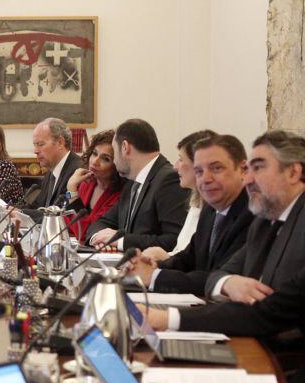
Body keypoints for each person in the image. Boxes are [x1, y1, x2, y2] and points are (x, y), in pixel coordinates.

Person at [146, 130, 305, 330]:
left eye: (258, 168)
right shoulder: (264, 222)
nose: (247, 180)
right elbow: (217, 274)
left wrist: (166, 319)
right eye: (249, 170)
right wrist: (227, 282)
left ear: (293, 173)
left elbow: (271, 311)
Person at [128, 134, 253, 296]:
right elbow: (189, 257)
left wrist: (154, 277)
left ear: (243, 169)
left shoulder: (252, 213)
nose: (206, 179)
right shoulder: (210, 209)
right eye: (199, 171)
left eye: (216, 168)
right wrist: (154, 266)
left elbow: (219, 277)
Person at [86, 118, 190, 251]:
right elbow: (102, 222)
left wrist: (120, 241)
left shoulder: (168, 179)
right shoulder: (132, 181)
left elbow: (174, 240)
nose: (115, 160)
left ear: (125, 147)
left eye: (114, 150)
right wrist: (98, 238)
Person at [142, 129, 216, 261]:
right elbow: (183, 253)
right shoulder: (196, 201)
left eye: (181, 159)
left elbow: (196, 263)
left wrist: (164, 258)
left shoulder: (214, 209)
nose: (175, 167)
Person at [62, 129, 123, 240]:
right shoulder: (87, 183)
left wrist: (71, 189)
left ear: (117, 165)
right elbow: (66, 218)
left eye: (105, 159)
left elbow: (87, 233)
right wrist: (69, 193)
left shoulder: (119, 196)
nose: (95, 161)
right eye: (94, 153)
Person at [25, 117, 83, 218]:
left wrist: (21, 213)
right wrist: (12, 210)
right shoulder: (52, 170)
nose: (35, 151)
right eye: (35, 145)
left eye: (40, 144)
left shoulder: (76, 170)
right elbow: (39, 206)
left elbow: (60, 214)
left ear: (60, 142)